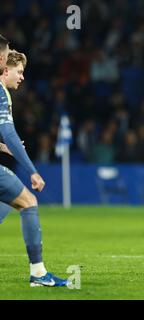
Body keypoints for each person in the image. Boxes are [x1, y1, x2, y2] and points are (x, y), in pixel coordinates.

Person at [0, 42, 68, 287]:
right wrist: (33, 171)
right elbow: (9, 133)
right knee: (28, 202)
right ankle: (39, 274)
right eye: (18, 71)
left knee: (6, 203)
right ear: (4, 68)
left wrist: (3, 148)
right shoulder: (1, 92)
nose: (22, 76)